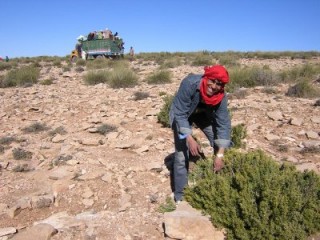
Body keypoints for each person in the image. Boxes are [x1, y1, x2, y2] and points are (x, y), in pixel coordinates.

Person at [169, 65, 232, 203]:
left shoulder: (220, 97)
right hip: (182, 116)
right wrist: (189, 139)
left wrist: (220, 154)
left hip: (202, 115)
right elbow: (179, 115)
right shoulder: (190, 83)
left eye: (219, 84)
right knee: (181, 154)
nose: (214, 86)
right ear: (206, 77)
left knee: (219, 142)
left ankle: (217, 183)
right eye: (212, 81)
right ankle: (181, 196)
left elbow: (223, 124)